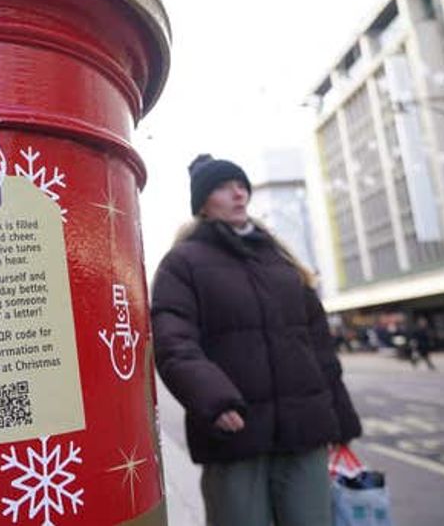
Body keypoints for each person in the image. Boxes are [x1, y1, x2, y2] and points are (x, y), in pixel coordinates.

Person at [151, 154, 362, 526]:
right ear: (202, 202)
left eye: (241, 184)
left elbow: (320, 349)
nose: (238, 193)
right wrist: (214, 400)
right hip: (235, 434)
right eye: (223, 186)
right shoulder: (181, 264)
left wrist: (342, 421)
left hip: (305, 432)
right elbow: (174, 342)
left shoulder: (281, 263)